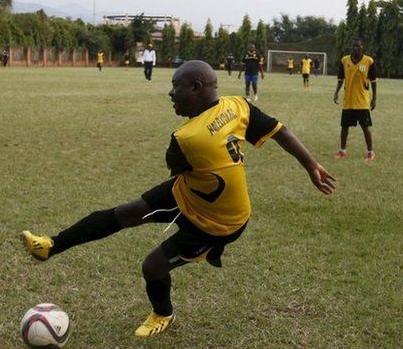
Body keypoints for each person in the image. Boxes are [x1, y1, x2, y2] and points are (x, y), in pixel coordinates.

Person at [20, 60, 336, 338]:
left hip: (219, 222)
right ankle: (50, 246)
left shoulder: (187, 138)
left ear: (196, 88)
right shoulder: (237, 106)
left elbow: (178, 164)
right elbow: (280, 130)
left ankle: (163, 313)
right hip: (189, 191)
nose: (171, 94)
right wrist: (311, 165)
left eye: (176, 86)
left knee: (153, 266)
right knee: (126, 212)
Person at [333, 38, 378, 162]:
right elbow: (340, 78)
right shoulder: (345, 60)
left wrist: (374, 99)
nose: (355, 49)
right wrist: (336, 92)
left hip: (362, 101)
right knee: (344, 127)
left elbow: (373, 81)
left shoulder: (369, 61)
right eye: (353, 46)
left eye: (358, 47)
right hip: (348, 100)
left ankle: (370, 152)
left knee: (365, 127)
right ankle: (342, 151)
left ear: (363, 48)